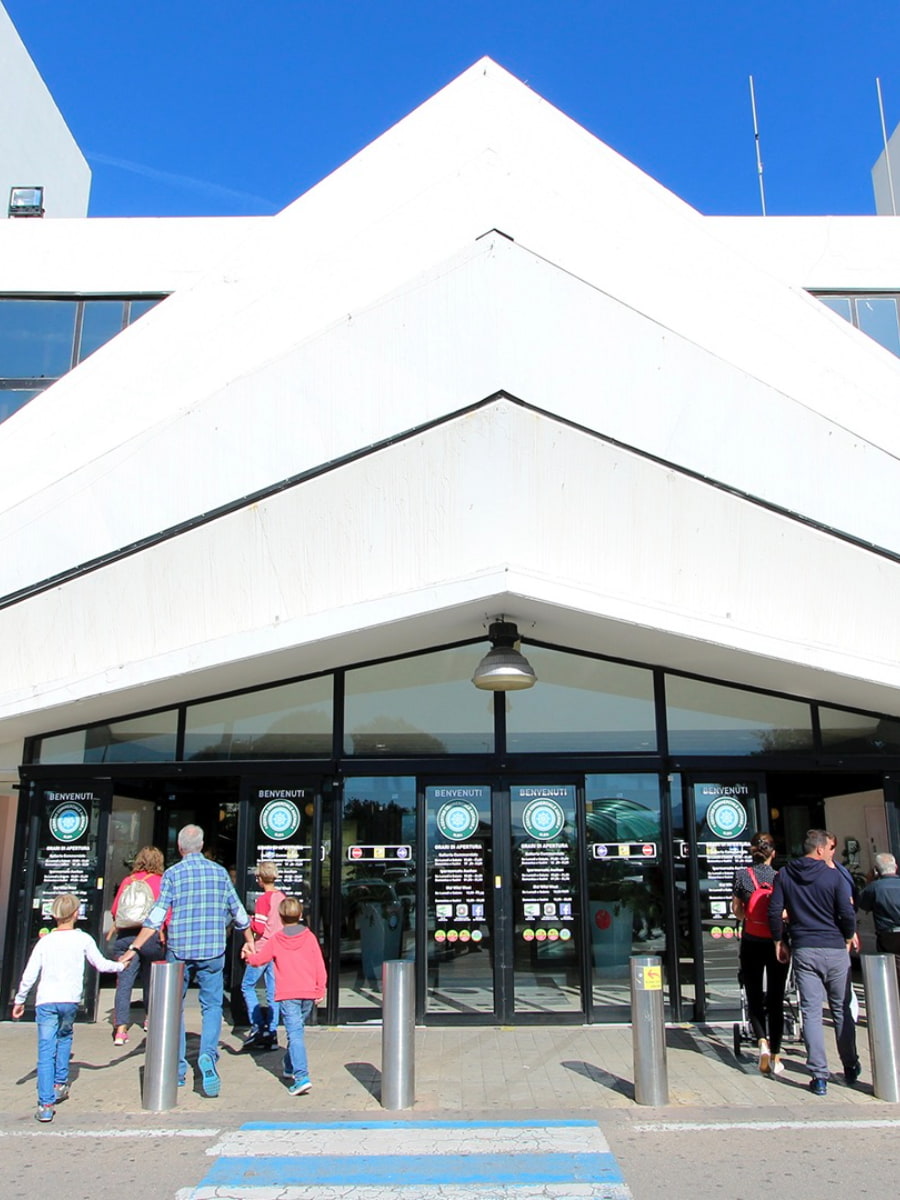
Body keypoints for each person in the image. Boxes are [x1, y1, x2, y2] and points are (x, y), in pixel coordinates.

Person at [120, 824, 253, 1098]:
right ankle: (207, 1055)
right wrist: (249, 939)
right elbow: (238, 911)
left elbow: (156, 915)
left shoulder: (173, 874)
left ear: (180, 848)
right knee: (212, 1006)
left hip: (179, 950)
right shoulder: (218, 873)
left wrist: (134, 946)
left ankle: (177, 1069)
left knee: (174, 1008)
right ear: (202, 846)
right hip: (213, 951)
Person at [11, 893, 125, 1123]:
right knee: (64, 1037)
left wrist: (20, 1000)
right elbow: (100, 964)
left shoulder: (45, 942)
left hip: (46, 1001)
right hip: (70, 1000)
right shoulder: (82, 939)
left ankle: (45, 1104)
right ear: (76, 914)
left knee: (45, 1051)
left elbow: (30, 974)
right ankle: (60, 1083)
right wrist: (121, 965)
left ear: (54, 915)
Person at [769, 828, 860, 1096]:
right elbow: (846, 911)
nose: (832, 853)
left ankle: (819, 1075)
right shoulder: (833, 876)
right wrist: (847, 936)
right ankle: (850, 1064)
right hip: (833, 947)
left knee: (810, 1011)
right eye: (830, 848)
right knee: (841, 1009)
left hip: (804, 947)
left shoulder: (784, 874)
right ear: (820, 849)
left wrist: (778, 940)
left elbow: (775, 910)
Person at [241, 895, 327, 1096]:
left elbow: (260, 960)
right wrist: (320, 988)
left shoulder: (277, 939)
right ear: (301, 914)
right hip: (307, 993)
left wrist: (248, 957)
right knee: (298, 1029)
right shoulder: (310, 937)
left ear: (280, 917)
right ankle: (289, 1065)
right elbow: (319, 965)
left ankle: (302, 1076)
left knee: (294, 1033)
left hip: (288, 994)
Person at [731, 832, 789, 1075]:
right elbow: (786, 912)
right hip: (777, 942)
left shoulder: (743, 875)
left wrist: (749, 918)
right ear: (773, 853)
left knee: (753, 993)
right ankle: (776, 1054)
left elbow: (737, 910)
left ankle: (761, 1041)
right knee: (776, 997)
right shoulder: (781, 877)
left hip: (751, 940)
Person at [107, 845, 166, 1044]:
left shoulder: (127, 881)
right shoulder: (159, 881)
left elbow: (116, 910)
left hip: (125, 936)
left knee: (124, 983)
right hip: (150, 937)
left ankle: (121, 1030)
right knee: (152, 979)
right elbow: (165, 911)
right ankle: (150, 1019)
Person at [240, 860, 286, 1049]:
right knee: (273, 992)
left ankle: (258, 1026)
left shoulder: (263, 900)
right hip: (279, 948)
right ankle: (272, 1032)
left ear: (260, 878)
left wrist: (248, 920)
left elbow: (259, 926)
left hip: (262, 947)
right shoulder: (282, 897)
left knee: (247, 985)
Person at [858, 852, 900, 983]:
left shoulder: (874, 888)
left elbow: (863, 905)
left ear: (876, 870)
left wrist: (869, 881)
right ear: (896, 867)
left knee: (893, 970)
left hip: (888, 935)